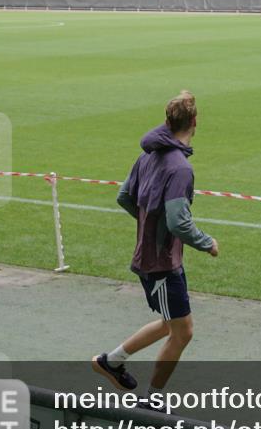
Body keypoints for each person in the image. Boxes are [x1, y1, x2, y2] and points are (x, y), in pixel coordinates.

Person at [93, 91, 218, 402]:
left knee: (169, 323)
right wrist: (207, 243)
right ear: (194, 121)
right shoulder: (180, 168)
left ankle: (112, 361)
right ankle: (154, 399)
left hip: (156, 257)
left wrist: (148, 222)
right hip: (160, 262)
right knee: (183, 331)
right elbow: (178, 222)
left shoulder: (147, 155)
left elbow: (124, 196)